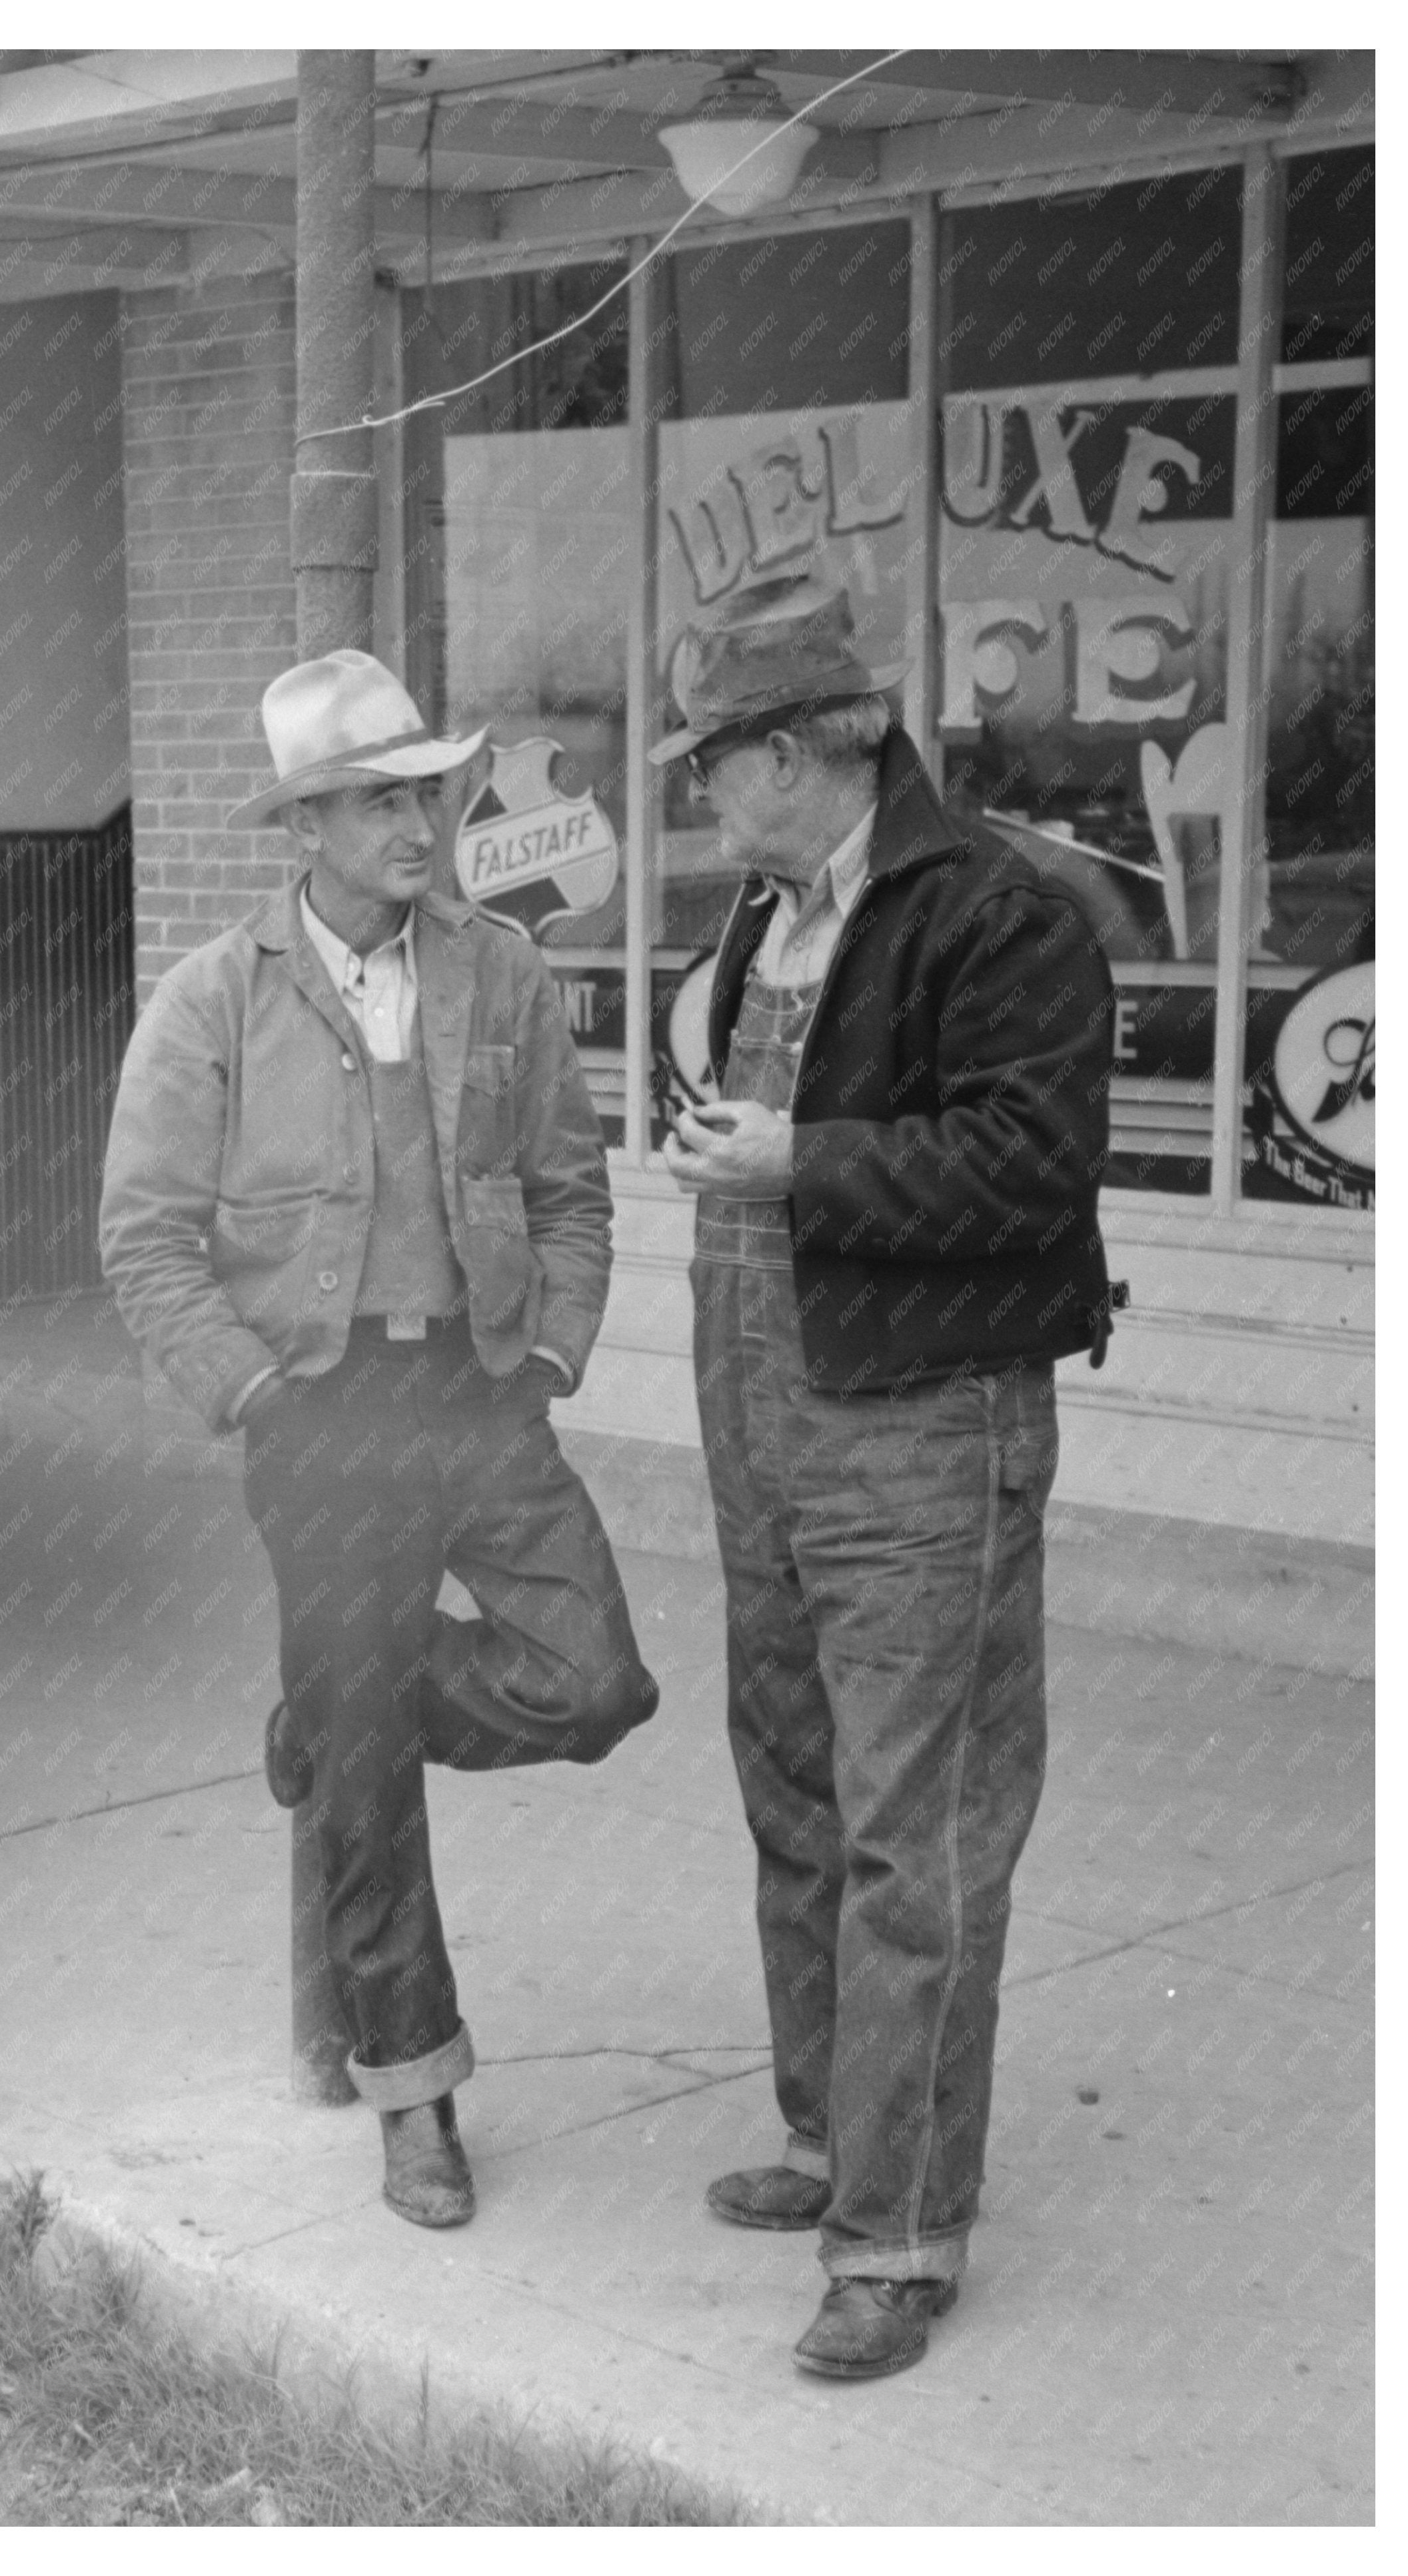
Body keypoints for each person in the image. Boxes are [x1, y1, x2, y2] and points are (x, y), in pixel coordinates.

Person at [99, 649, 658, 2230]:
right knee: (373, 1790)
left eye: (430, 789)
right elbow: (142, 1236)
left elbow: (568, 1186)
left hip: (477, 1397)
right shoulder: (215, 995)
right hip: (319, 1416)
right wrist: (257, 1394)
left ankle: (335, 1713)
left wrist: (549, 1349)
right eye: (379, 799)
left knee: (595, 1676)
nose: (422, 820)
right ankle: (414, 2092)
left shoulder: (500, 973)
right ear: (308, 826)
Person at [652, 576, 1115, 2379]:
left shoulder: (995, 907)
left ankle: (902, 2232)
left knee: (910, 1827)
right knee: (788, 1774)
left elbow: (1031, 1162)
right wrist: (745, 1144)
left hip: (923, 1421)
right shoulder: (766, 908)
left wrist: (797, 1156)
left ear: (787, 754)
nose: (702, 797)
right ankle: (830, 2130)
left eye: (711, 764)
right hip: (760, 1395)